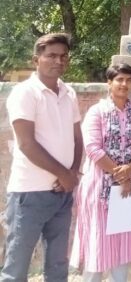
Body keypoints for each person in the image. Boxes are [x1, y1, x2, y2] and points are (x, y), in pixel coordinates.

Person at [0, 33, 83, 282]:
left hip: (62, 192)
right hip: (29, 193)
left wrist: (73, 174)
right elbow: (27, 144)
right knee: (17, 265)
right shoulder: (24, 93)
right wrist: (64, 174)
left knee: (58, 264)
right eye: (51, 56)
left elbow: (77, 138)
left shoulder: (68, 93)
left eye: (63, 56)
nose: (58, 61)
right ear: (36, 60)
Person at [70, 64, 131, 282]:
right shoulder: (97, 112)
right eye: (119, 79)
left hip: (129, 188)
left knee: (123, 245)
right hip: (100, 188)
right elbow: (93, 148)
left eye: (128, 80)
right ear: (109, 83)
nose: (124, 84)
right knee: (98, 245)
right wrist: (120, 175)